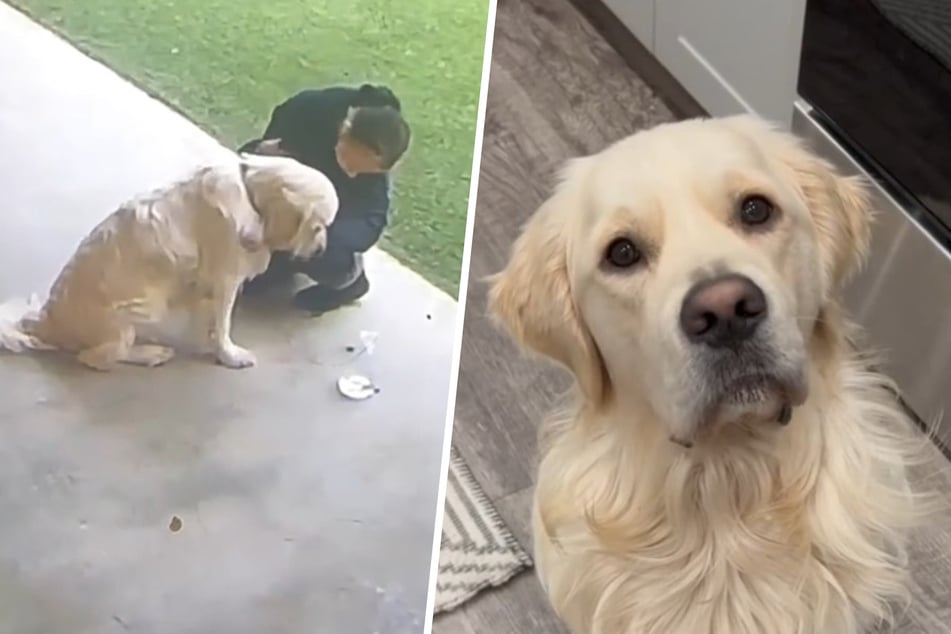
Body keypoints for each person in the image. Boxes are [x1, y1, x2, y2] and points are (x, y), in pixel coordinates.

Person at [238, 84, 411, 313]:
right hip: (292, 182)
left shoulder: (374, 162)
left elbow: (370, 224)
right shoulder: (308, 114)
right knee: (247, 279)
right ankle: (280, 260)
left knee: (328, 254)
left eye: (363, 171)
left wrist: (319, 228)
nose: (353, 174)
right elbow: (253, 159)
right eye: (351, 165)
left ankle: (350, 282)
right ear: (343, 131)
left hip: (321, 219)